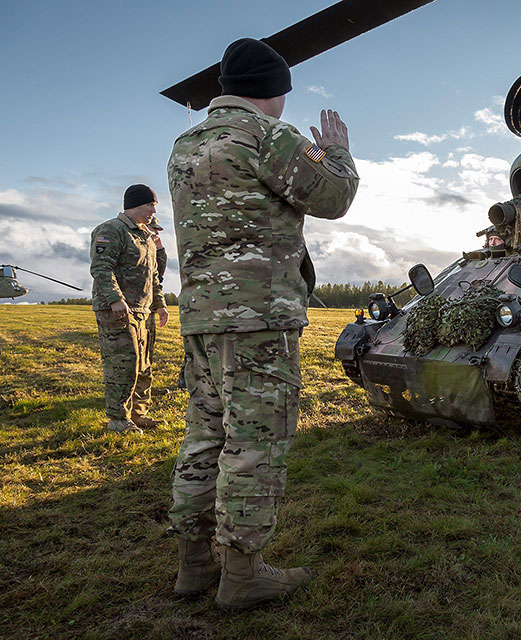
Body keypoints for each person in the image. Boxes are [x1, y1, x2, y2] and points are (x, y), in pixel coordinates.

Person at [166, 38, 359, 609]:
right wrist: (340, 152)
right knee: (254, 445)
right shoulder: (269, 137)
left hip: (200, 320)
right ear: (274, 92)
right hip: (258, 320)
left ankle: (194, 565)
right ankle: (243, 575)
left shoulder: (185, 144)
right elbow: (334, 197)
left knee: (204, 438)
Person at [89, 184, 170, 433]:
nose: (153, 211)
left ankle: (138, 414)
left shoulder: (145, 236)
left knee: (143, 365)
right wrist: (115, 298)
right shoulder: (112, 230)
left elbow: (153, 275)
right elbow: (101, 268)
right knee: (123, 365)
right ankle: (118, 419)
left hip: (143, 311)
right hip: (118, 311)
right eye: (150, 206)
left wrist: (160, 305)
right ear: (134, 205)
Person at [143, 217, 169, 397]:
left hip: (150, 306)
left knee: (148, 350)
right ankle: (134, 391)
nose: (157, 233)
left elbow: (158, 275)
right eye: (154, 229)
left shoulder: (152, 248)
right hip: (136, 307)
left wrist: (159, 249)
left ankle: (145, 388)